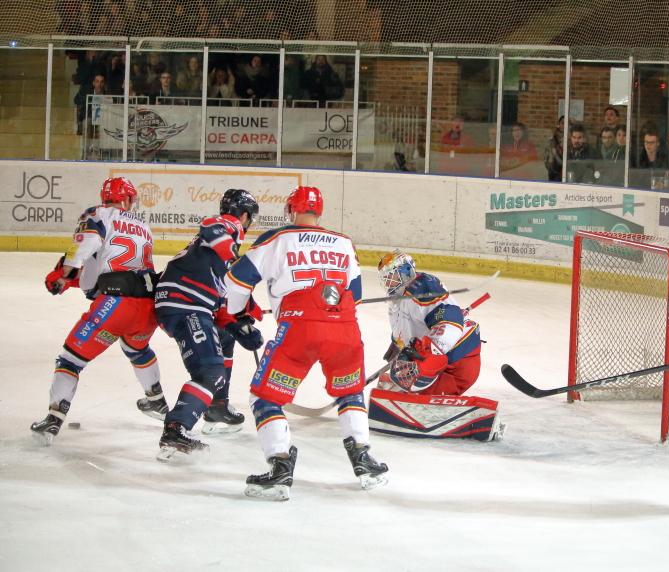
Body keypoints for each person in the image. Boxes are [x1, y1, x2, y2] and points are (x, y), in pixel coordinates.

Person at [224, 186, 388, 500]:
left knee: (265, 398)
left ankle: (280, 467)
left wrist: (238, 314)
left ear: (291, 210)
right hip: (345, 329)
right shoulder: (343, 242)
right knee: (350, 392)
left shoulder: (277, 239)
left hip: (299, 328)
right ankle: (364, 459)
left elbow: (236, 282)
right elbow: (355, 295)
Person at [31, 177, 162, 445]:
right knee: (136, 349)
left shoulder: (98, 214)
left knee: (70, 360)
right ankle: (157, 401)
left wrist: (65, 274)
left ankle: (53, 420)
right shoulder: (143, 226)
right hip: (149, 308)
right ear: (127, 198)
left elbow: (87, 246)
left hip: (116, 304)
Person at [154, 189, 264, 460]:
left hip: (188, 303)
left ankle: (217, 406)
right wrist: (234, 259)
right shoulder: (230, 226)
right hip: (185, 304)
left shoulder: (216, 256)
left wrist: (239, 323)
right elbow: (211, 224)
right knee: (210, 372)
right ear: (245, 215)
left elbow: (222, 300)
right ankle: (176, 428)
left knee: (225, 337)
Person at [367, 250, 504, 441]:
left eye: (392, 276)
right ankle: (421, 389)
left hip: (458, 363)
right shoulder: (397, 300)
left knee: (411, 377)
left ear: (406, 271)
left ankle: (473, 418)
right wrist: (398, 348)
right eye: (386, 279)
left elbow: (451, 321)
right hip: (438, 358)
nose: (389, 283)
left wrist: (427, 352)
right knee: (396, 379)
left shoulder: (423, 287)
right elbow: (405, 332)